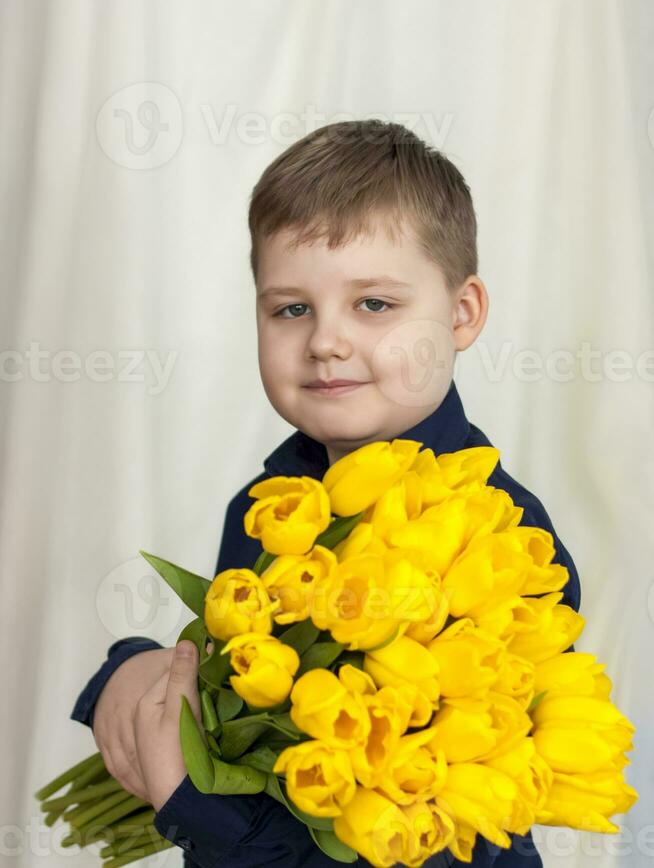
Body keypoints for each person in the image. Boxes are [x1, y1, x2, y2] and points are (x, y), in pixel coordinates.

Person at [71, 120, 582, 867]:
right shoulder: (271, 501)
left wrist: (193, 807)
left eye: (374, 304)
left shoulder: (505, 547)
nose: (325, 341)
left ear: (463, 314)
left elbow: (412, 845)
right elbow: (229, 689)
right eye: (291, 308)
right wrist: (133, 670)